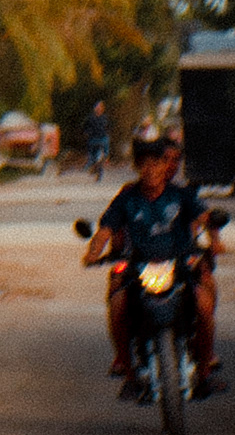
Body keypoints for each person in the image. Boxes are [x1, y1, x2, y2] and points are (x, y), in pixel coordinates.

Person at [84, 124, 223, 396]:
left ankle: (204, 373)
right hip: (138, 267)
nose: (151, 170)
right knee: (118, 305)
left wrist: (216, 241)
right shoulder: (126, 198)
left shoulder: (180, 195)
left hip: (179, 266)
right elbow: (105, 230)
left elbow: (206, 218)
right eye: (144, 164)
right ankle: (129, 374)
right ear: (137, 167)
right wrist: (92, 253)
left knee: (204, 307)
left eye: (157, 163)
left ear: (165, 166)